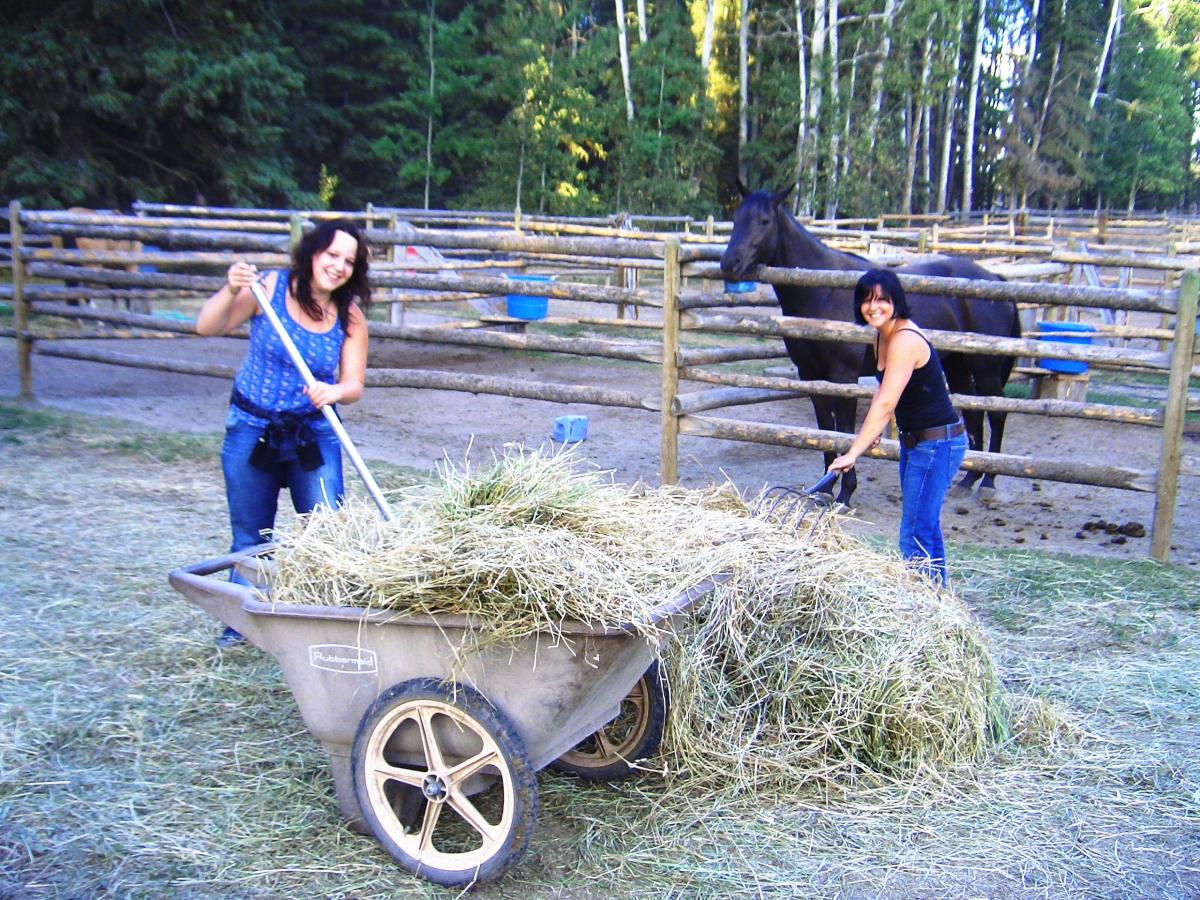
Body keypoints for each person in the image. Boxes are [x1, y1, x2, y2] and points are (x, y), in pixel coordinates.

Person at [197, 218, 372, 645]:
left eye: (348, 261)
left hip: (313, 432)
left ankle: (328, 622)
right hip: (251, 427)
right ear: (313, 253)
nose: (338, 266)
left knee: (328, 533)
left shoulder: (349, 317)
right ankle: (243, 624)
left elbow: (354, 385)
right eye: (332, 254)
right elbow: (207, 326)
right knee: (251, 533)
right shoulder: (269, 288)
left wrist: (334, 390)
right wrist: (231, 288)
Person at [827, 268, 968, 586]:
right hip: (917, 442)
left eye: (881, 300)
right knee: (925, 526)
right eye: (865, 300)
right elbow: (883, 390)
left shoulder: (904, 339)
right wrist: (869, 434)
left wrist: (852, 454)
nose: (873, 307)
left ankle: (922, 608)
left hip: (937, 444)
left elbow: (885, 404)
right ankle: (939, 600)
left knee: (914, 532)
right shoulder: (882, 336)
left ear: (896, 301)